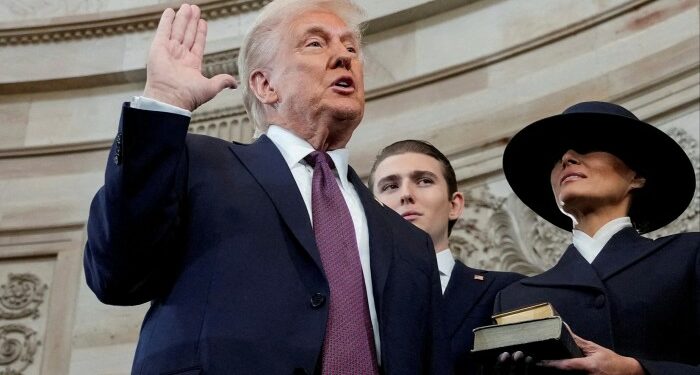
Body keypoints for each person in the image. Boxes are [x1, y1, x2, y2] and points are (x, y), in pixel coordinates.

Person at [83, 1, 447, 374]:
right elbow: (117, 275)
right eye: (316, 44)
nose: (344, 57)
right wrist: (166, 101)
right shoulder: (198, 165)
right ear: (265, 85)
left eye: (351, 48)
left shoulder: (410, 244)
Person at [494, 101, 699, 374]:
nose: (567, 156)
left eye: (588, 146)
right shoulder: (515, 298)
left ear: (636, 176)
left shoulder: (688, 256)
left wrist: (636, 370)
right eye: (558, 156)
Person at [369, 140, 524, 375]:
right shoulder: (353, 305)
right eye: (390, 186)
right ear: (369, 212)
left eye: (424, 181)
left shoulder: (509, 291)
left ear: (454, 205)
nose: (406, 195)